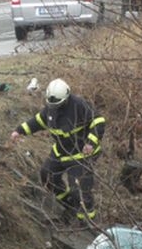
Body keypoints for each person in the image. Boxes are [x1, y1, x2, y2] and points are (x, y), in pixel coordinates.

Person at [9, 78, 106, 223]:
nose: (54, 108)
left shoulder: (79, 105)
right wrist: (19, 131)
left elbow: (98, 121)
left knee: (79, 190)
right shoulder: (51, 108)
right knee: (47, 175)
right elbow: (39, 121)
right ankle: (70, 205)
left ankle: (86, 222)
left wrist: (91, 142)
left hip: (80, 154)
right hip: (61, 151)